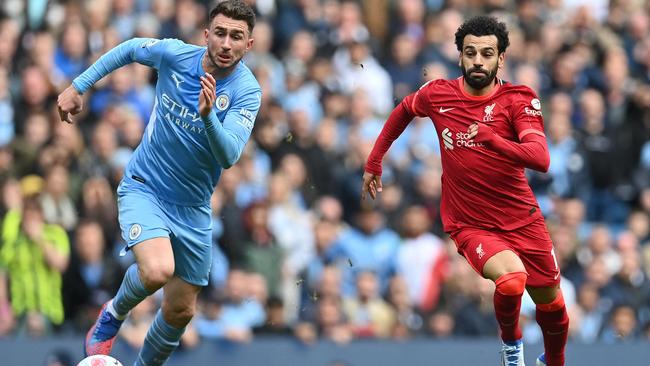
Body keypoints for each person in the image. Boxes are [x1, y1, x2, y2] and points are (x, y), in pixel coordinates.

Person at [56, 1, 261, 365]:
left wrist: (209, 116)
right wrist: (79, 85)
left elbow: (229, 155)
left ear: (250, 44)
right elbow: (132, 47)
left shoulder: (247, 91)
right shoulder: (176, 55)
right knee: (157, 270)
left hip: (194, 207)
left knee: (180, 311)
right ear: (206, 35)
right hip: (145, 186)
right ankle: (112, 315)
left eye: (236, 36)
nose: (226, 43)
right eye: (220, 33)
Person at [362, 16, 569, 366]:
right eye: (470, 52)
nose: (478, 60)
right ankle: (512, 347)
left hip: (523, 219)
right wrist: (374, 160)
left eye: (487, 53)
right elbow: (403, 110)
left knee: (553, 306)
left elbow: (540, 158)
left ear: (500, 58)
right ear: (459, 55)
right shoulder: (438, 93)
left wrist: (494, 139)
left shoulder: (518, 100)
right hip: (470, 223)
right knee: (511, 281)